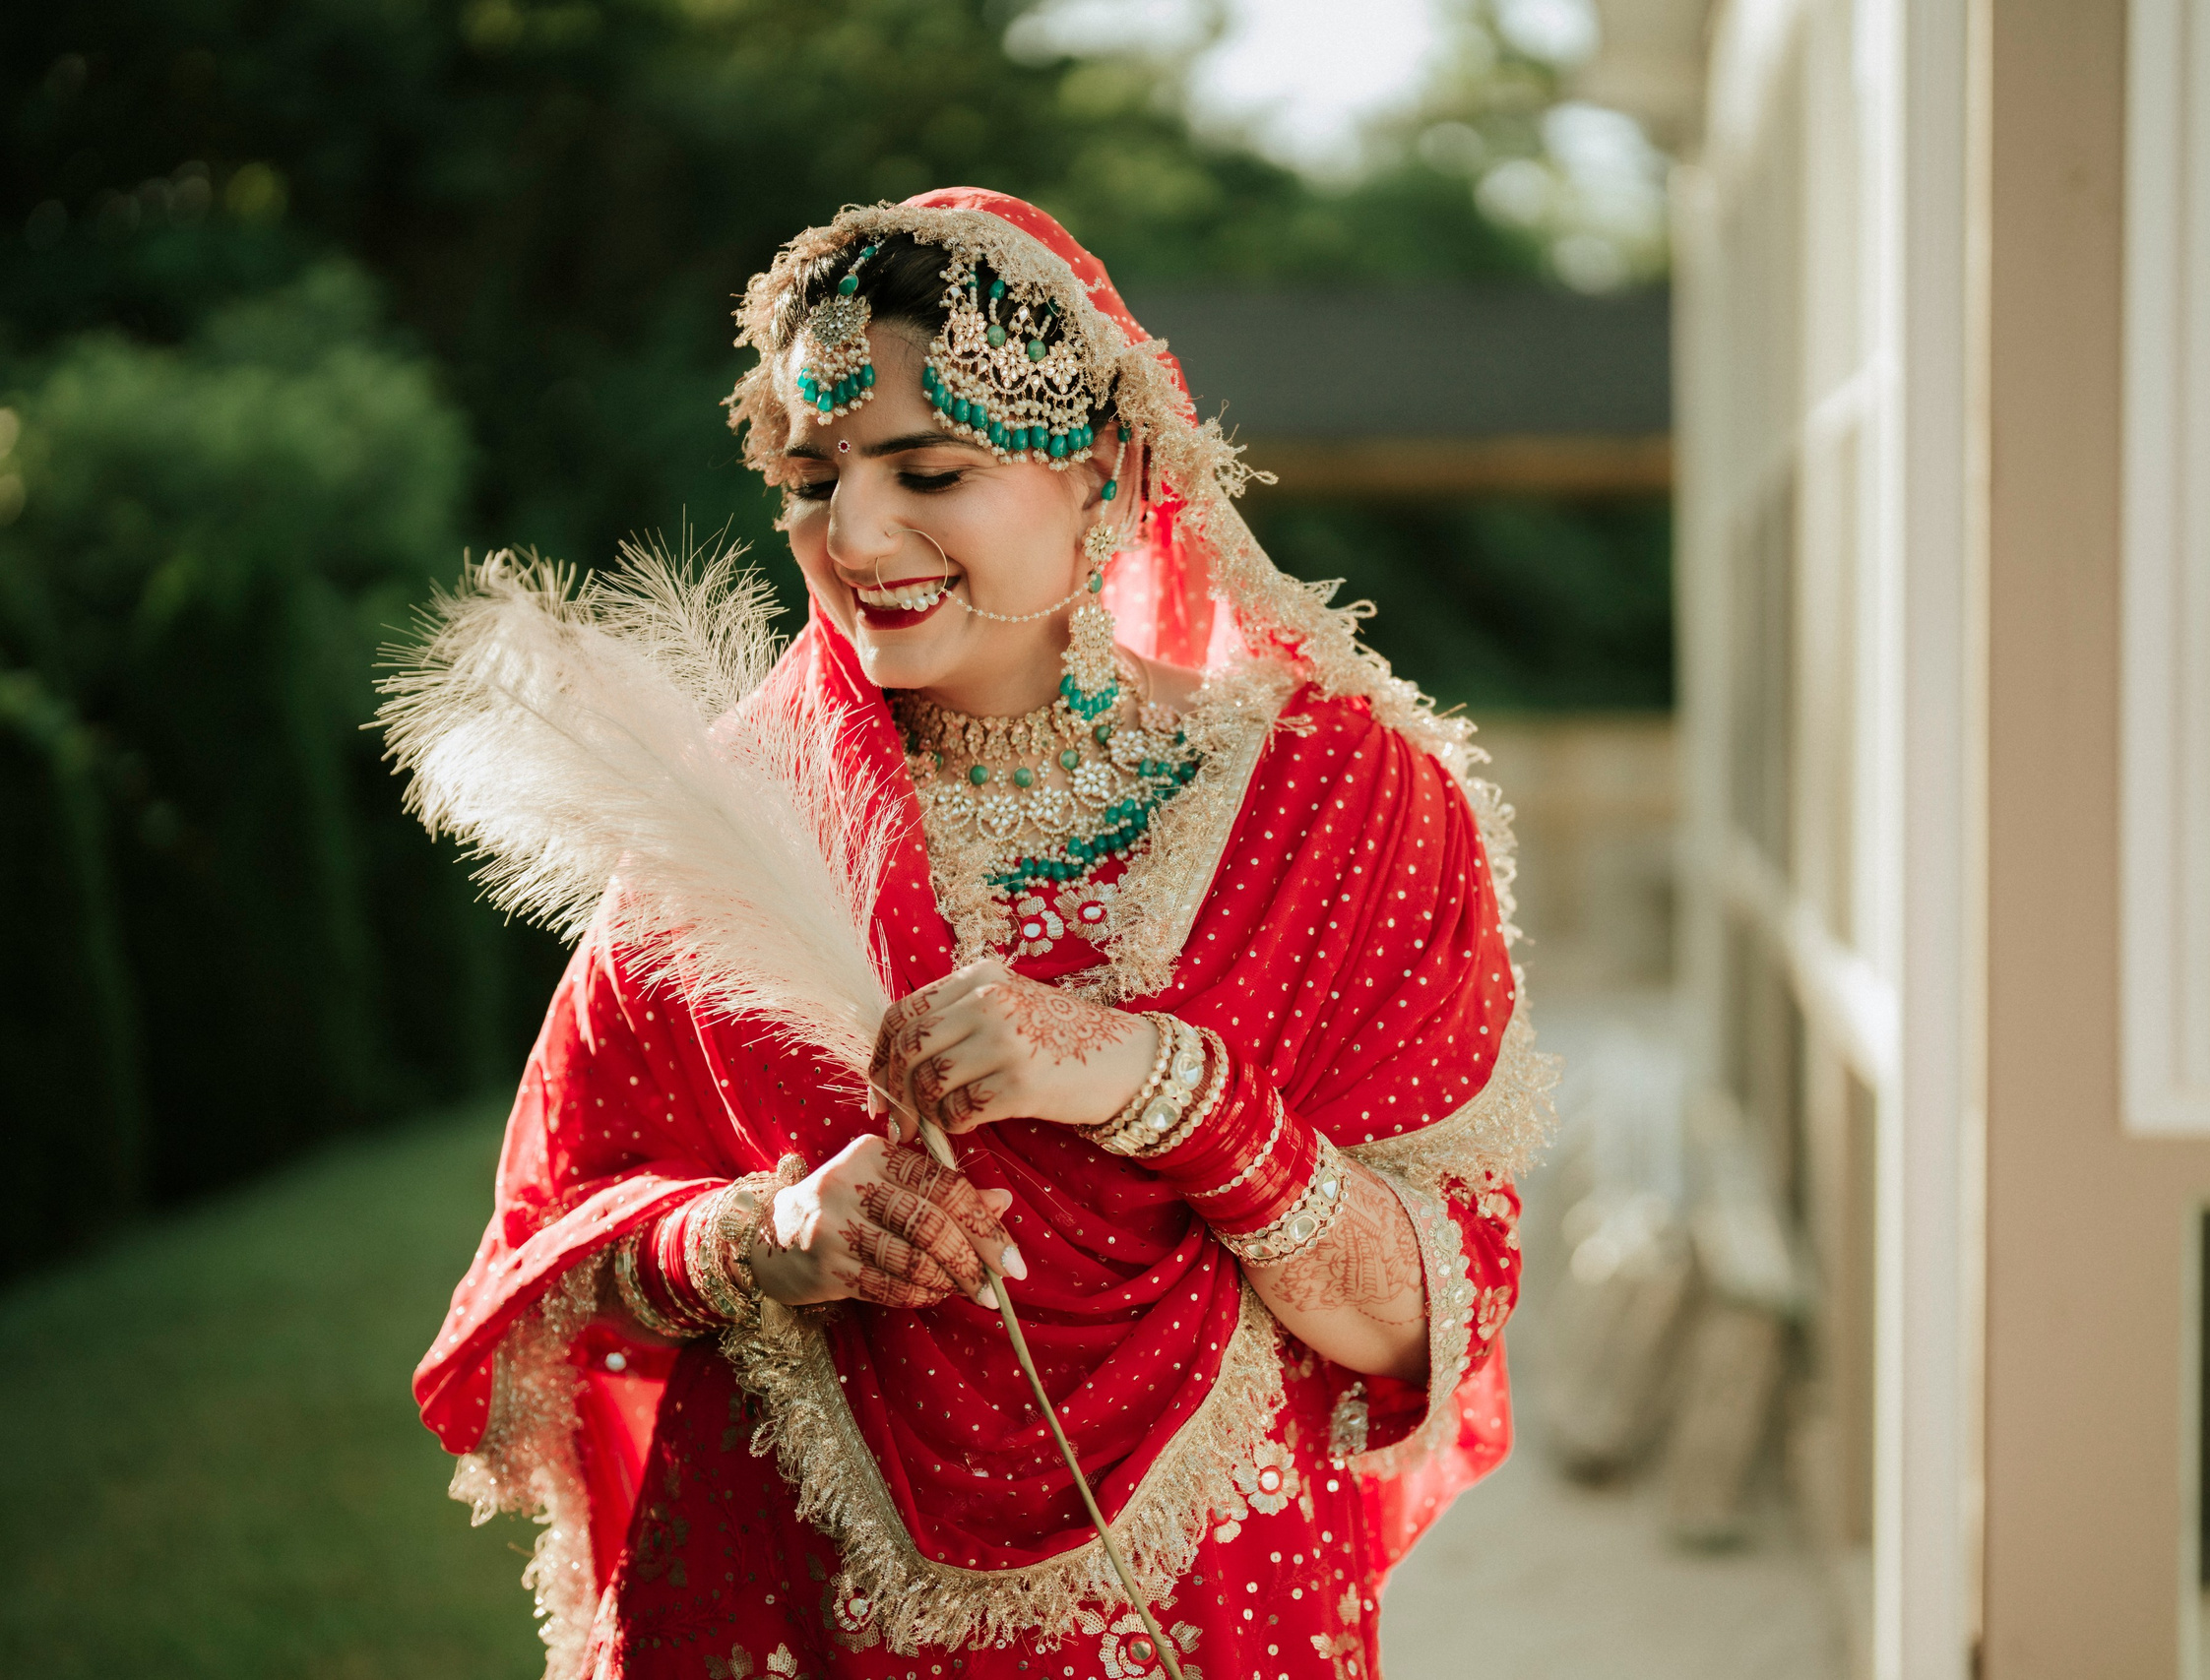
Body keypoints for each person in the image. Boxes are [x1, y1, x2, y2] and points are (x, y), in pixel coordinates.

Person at [412, 188, 1554, 1680]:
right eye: (812, 478)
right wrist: (771, 1238)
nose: (855, 532)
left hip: (1213, 1617)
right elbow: (551, 1261)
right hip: (806, 1615)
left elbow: (1423, 1315)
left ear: (1109, 469)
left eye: (929, 468)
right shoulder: (741, 828)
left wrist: (1163, 1086)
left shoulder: (1334, 802)